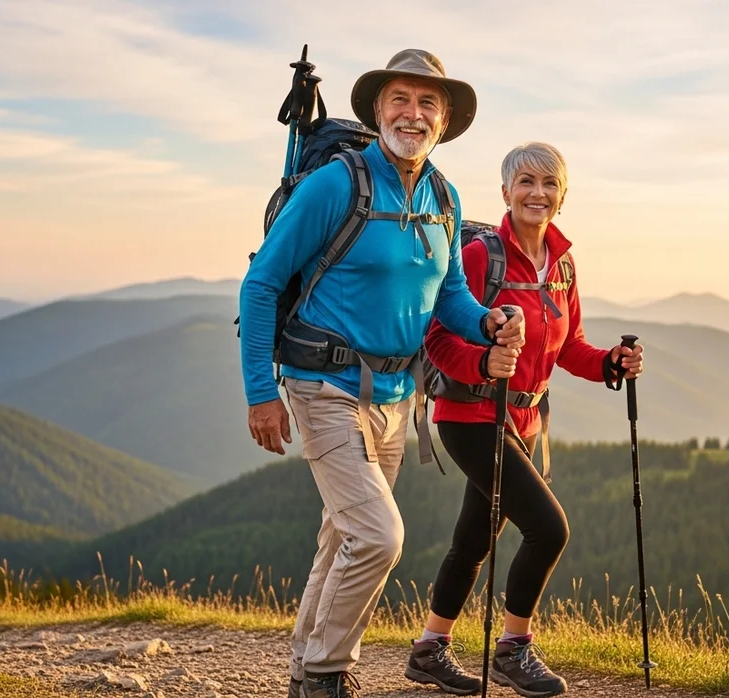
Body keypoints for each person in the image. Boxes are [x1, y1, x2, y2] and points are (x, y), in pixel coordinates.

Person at [238, 49, 527, 698]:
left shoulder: (442, 196)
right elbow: (261, 285)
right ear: (376, 109)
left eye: (429, 104)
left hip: (397, 398)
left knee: (341, 537)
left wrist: (488, 323)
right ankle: (326, 676)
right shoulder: (335, 184)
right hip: (322, 387)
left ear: (446, 121)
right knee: (379, 536)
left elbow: (449, 296)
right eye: (401, 99)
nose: (413, 114)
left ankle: (300, 674)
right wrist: (261, 392)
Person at [405, 142, 643, 697]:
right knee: (548, 528)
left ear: (563, 196)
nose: (538, 193)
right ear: (506, 192)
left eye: (550, 184)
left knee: (475, 536)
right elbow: (436, 338)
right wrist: (484, 362)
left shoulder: (562, 264)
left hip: (526, 422)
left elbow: (568, 347)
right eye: (527, 183)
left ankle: (428, 649)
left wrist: (610, 362)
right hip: (469, 413)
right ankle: (514, 649)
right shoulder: (481, 257)